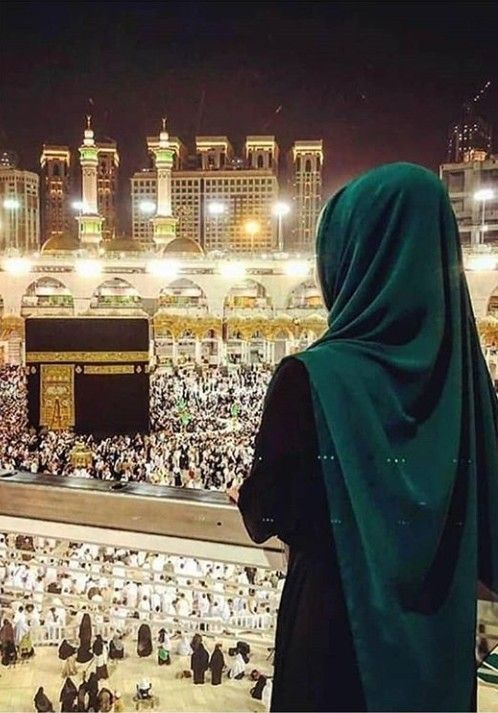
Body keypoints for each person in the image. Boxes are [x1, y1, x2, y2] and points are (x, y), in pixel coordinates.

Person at [230, 162, 498, 712]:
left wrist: (247, 493)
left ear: (349, 258)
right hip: (437, 646)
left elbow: (270, 514)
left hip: (335, 644)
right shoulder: (468, 386)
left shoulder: (311, 378)